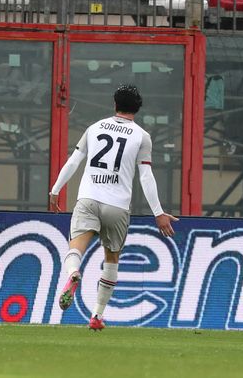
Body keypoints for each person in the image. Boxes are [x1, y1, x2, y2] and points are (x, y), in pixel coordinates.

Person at [49, 84, 178, 331]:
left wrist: (56, 189)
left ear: (114, 104)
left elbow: (74, 160)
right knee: (112, 260)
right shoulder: (142, 136)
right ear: (137, 108)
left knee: (75, 246)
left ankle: (74, 273)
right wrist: (158, 213)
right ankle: (97, 315)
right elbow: (146, 176)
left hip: (88, 198)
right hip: (117, 206)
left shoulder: (94, 128)